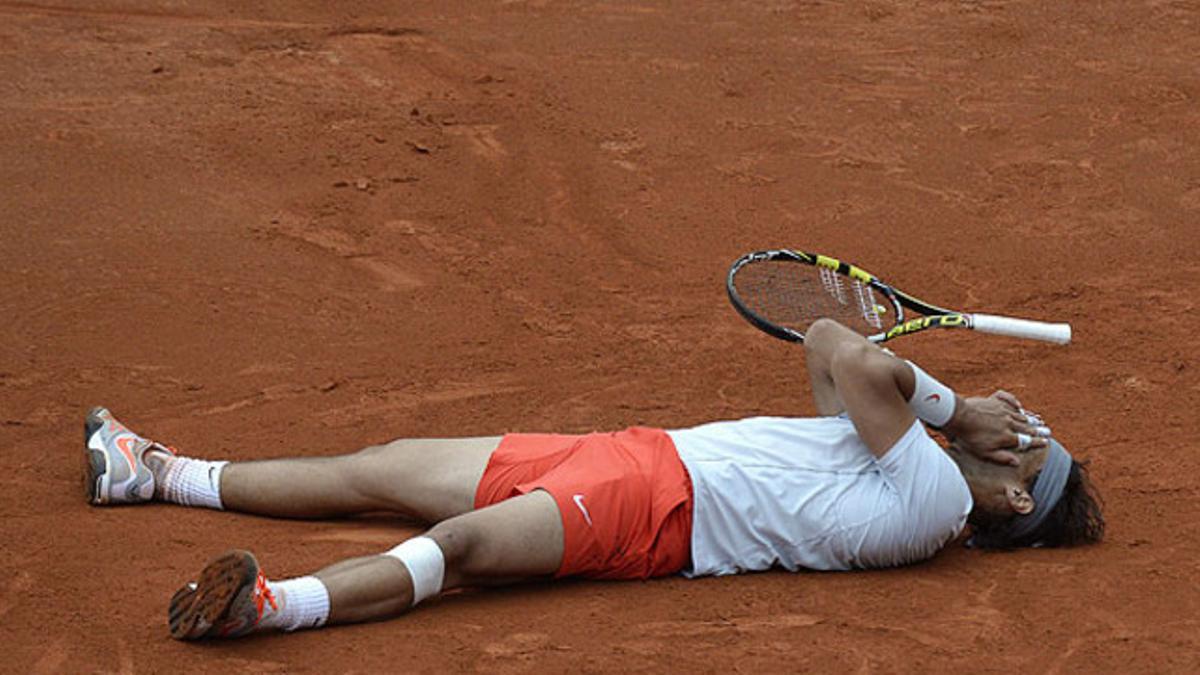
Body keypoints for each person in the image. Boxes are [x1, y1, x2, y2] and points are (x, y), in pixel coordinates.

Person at [84, 318, 1103, 640]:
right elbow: (830, 346)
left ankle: (270, 609)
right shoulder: (899, 459)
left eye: (1028, 455)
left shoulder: (929, 499)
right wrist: (944, 408)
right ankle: (157, 476)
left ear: (1012, 503)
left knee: (461, 550)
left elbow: (860, 358)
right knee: (384, 470)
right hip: (625, 454)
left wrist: (957, 407)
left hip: (653, 513)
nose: (1017, 435)